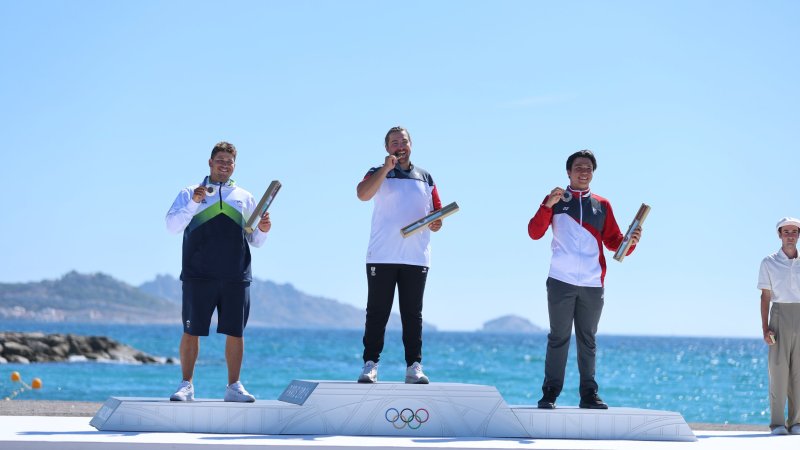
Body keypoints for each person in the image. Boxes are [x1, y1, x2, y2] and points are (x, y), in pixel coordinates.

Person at [527, 149, 641, 409]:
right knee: (558, 337)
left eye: (588, 168)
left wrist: (631, 243)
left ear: (593, 173)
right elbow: (534, 232)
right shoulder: (555, 200)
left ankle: (588, 395)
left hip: (592, 283)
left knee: (587, 339)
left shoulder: (602, 205)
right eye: (578, 167)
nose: (583, 171)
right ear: (568, 171)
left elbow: (615, 242)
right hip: (560, 280)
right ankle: (550, 393)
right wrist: (546, 206)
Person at [165, 141, 272, 402]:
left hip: (236, 275)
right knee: (192, 330)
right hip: (197, 273)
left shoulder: (245, 197)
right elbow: (171, 226)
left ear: (234, 166)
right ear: (210, 163)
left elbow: (254, 240)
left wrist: (264, 229)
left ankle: (233, 386)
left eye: (229, 162)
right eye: (220, 160)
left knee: (236, 332)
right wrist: (194, 203)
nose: (225, 165)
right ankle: (186, 385)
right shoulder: (190, 192)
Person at [355, 126, 443, 384]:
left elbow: (437, 212)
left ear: (411, 144)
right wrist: (385, 168)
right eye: (394, 142)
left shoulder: (425, 177)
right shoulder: (376, 173)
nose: (399, 146)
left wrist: (437, 223)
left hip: (416, 257)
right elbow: (362, 194)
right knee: (377, 312)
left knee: (412, 313)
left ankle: (414, 365)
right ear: (387, 148)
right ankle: (370, 364)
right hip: (382, 255)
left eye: (403, 141)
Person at [758, 217, 800, 435]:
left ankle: (796, 423)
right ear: (780, 234)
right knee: (778, 370)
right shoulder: (769, 262)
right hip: (779, 315)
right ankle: (777, 424)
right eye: (786, 231)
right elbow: (765, 297)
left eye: (794, 231)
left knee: (798, 373)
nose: (791, 235)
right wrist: (765, 328)